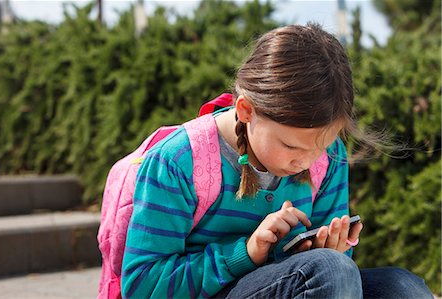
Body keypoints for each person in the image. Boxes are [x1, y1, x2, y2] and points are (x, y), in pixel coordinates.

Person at [120, 23, 433, 298]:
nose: (305, 162)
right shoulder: (179, 161)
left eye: (319, 147)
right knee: (330, 270)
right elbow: (141, 286)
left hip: (293, 284)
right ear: (246, 111)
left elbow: (333, 277)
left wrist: (332, 250)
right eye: (290, 146)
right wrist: (246, 252)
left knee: (403, 288)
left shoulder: (329, 158)